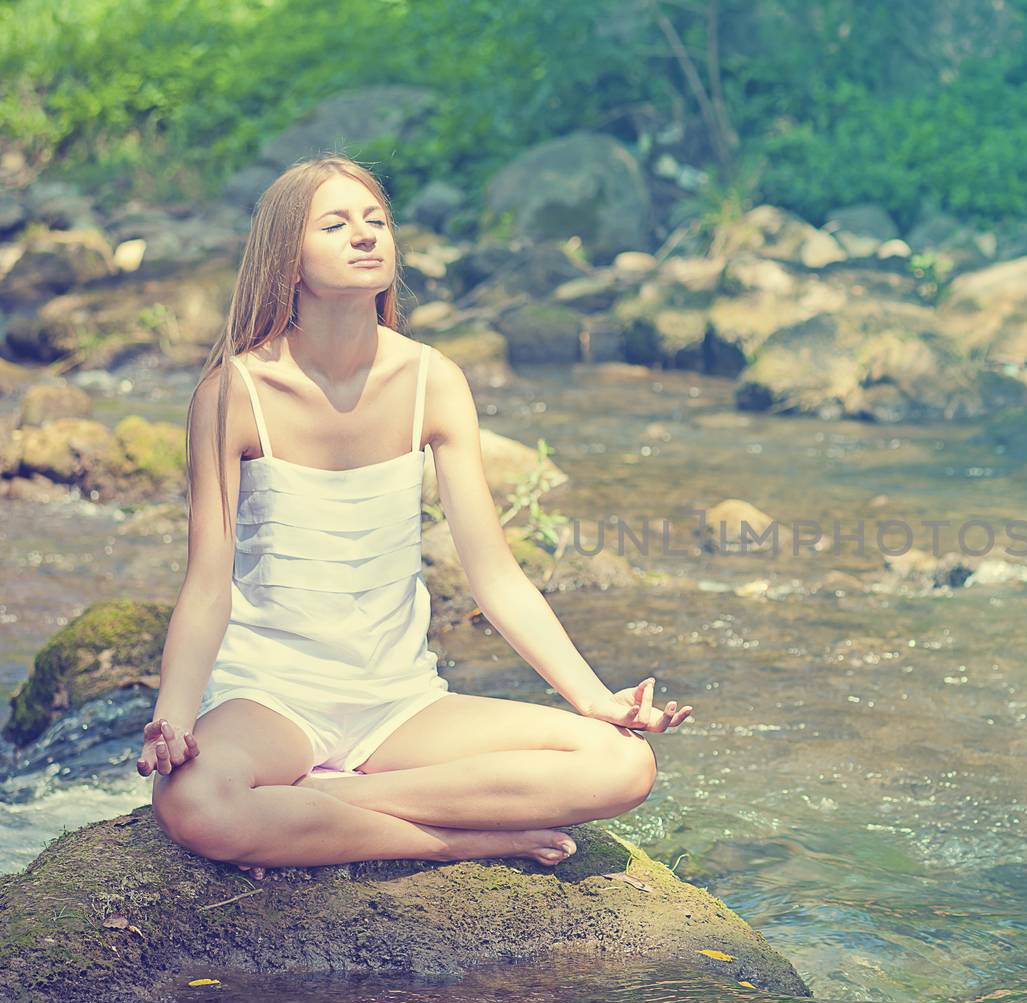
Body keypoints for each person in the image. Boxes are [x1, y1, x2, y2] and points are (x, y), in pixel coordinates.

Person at [138, 154, 692, 878]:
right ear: (288, 259)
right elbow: (207, 586)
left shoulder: (433, 380)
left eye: (377, 222)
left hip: (399, 705)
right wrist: (174, 720)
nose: (366, 236)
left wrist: (597, 698)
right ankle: (455, 838)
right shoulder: (234, 391)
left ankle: (326, 805)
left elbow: (495, 575)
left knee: (621, 765)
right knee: (192, 800)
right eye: (336, 224)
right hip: (270, 700)